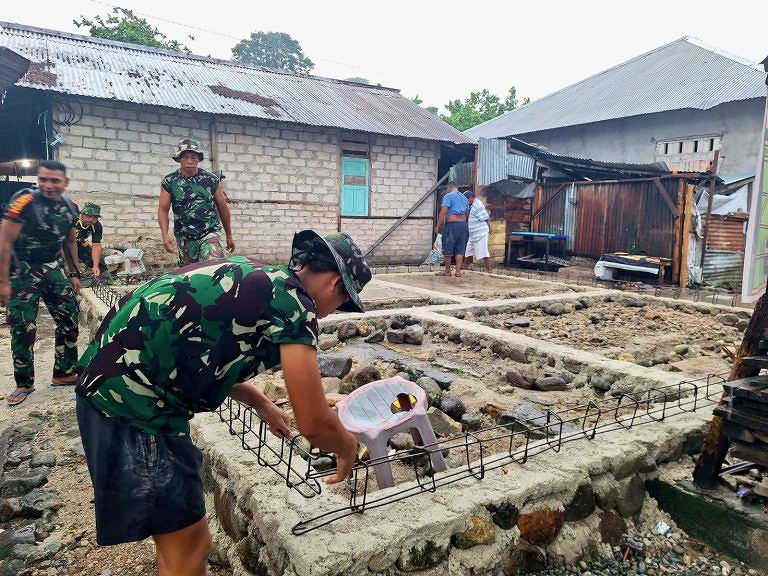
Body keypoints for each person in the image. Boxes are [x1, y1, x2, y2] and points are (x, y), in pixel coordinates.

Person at [75, 230, 370, 575]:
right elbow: (315, 424)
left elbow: (197, 349)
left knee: (182, 540)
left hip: (110, 390)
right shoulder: (295, 305)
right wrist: (347, 447)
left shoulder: (256, 275)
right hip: (136, 412)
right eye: (342, 303)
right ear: (336, 283)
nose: (331, 313)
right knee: (188, 546)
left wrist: (260, 402)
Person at [0, 160, 81, 406]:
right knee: (22, 327)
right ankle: (24, 382)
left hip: (52, 267)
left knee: (70, 316)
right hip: (22, 268)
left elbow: (70, 242)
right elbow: (4, 241)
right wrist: (3, 281)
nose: (47, 185)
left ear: (65, 183)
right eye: (43, 179)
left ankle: (64, 372)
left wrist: (74, 273)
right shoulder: (24, 203)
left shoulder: (70, 207)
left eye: (54, 180)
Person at [158, 138, 235, 267]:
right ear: (179, 159)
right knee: (190, 276)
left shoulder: (211, 180)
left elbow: (223, 208)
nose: (189, 161)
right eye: (185, 157)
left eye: (193, 157)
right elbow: (163, 210)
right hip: (185, 236)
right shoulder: (170, 181)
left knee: (214, 268)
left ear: (198, 159)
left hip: (209, 232)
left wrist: (229, 235)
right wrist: (165, 235)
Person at [434, 181, 468, 277]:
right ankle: (458, 272)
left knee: (448, 247)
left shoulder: (448, 196)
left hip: (452, 225)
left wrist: (438, 225)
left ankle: (447, 271)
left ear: (450, 187)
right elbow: (466, 214)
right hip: (463, 225)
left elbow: (443, 212)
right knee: (460, 248)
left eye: (447, 189)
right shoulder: (464, 198)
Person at [74, 202, 111, 281]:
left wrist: (95, 266)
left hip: (79, 243)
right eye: (89, 216)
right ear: (82, 214)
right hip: (61, 244)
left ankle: (106, 280)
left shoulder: (96, 226)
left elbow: (96, 246)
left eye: (95, 217)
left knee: (98, 264)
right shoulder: (73, 219)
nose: (91, 219)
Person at [462, 189, 493, 273]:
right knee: (468, 250)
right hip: (473, 232)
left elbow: (486, 217)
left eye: (466, 199)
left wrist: (489, 228)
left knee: (483, 251)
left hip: (480, 232)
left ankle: (489, 269)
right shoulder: (470, 205)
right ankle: (463, 266)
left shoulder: (478, 205)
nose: (465, 202)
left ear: (471, 198)